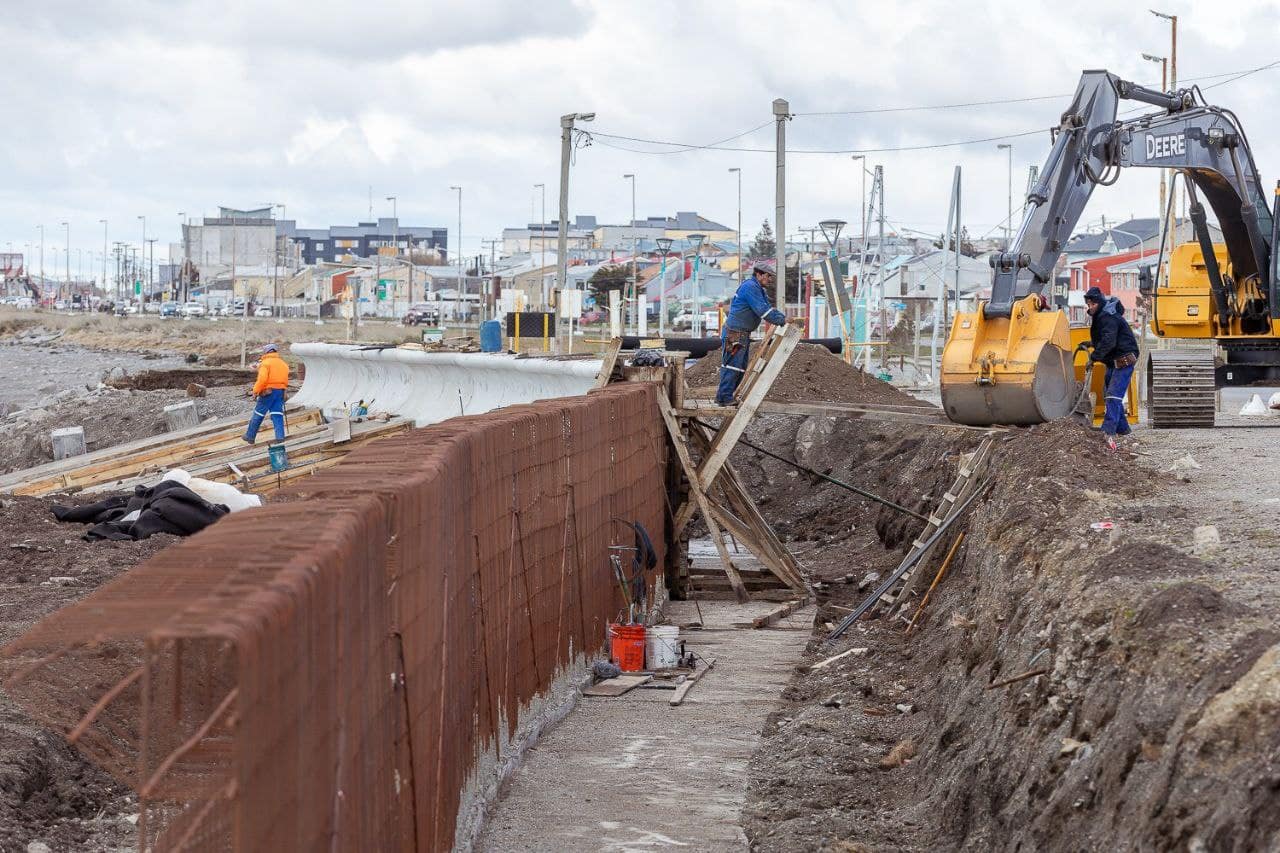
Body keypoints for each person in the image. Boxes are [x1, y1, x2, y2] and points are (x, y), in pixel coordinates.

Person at [716, 259, 796, 405]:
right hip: (735, 333)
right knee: (733, 365)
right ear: (759, 275)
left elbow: (767, 307)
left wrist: (782, 318)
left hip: (740, 333)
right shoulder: (751, 287)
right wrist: (783, 320)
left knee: (739, 367)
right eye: (768, 276)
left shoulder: (758, 289)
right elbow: (763, 311)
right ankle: (724, 398)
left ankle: (726, 397)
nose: (770, 279)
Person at [1084, 286, 1139, 450]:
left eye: (1092, 304)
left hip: (1124, 359)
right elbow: (1107, 338)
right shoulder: (1103, 315)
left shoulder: (1108, 317)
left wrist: (1094, 356)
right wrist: (1093, 345)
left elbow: (1109, 341)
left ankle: (1108, 431)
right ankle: (1123, 429)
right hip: (1114, 361)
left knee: (1113, 396)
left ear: (1098, 303)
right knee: (1109, 393)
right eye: (1088, 304)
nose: (1090, 307)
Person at [243, 344, 290, 444]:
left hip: (268, 392)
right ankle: (280, 437)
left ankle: (250, 436)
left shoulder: (265, 363)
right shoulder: (283, 364)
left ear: (266, 352)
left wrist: (255, 391)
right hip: (280, 392)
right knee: (277, 415)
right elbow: (285, 380)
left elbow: (262, 380)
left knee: (258, 414)